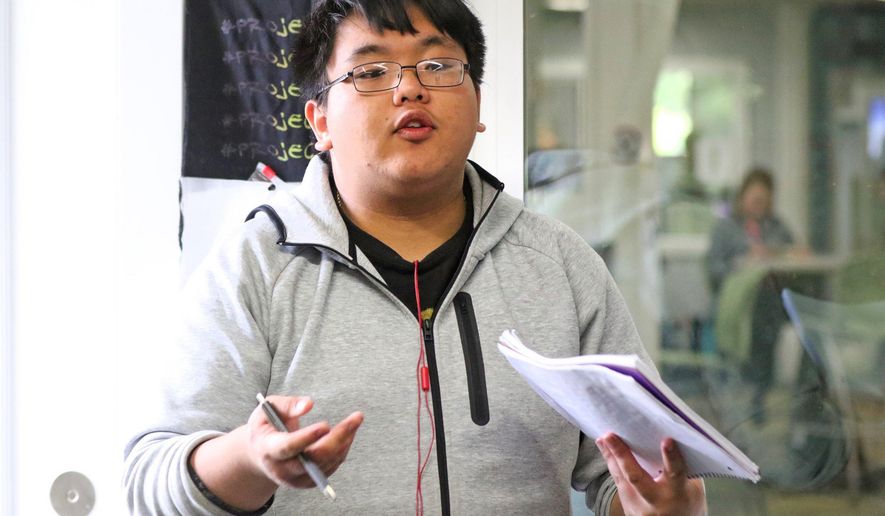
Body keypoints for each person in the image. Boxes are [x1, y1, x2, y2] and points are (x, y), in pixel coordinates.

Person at [124, 1, 706, 514]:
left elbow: (628, 470)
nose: (409, 89)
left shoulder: (559, 264)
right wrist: (249, 460)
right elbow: (151, 480)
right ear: (320, 121)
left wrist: (659, 504)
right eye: (372, 71)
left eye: (438, 65)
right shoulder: (256, 265)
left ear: (478, 103)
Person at [707, 168, 796, 418]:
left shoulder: (777, 227)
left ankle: (760, 388)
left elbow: (791, 252)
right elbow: (714, 270)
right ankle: (754, 386)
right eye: (755, 200)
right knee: (761, 318)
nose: (759, 205)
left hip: (768, 303)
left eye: (764, 201)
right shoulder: (725, 229)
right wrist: (742, 262)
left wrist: (781, 253)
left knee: (769, 313)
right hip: (736, 303)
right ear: (742, 197)